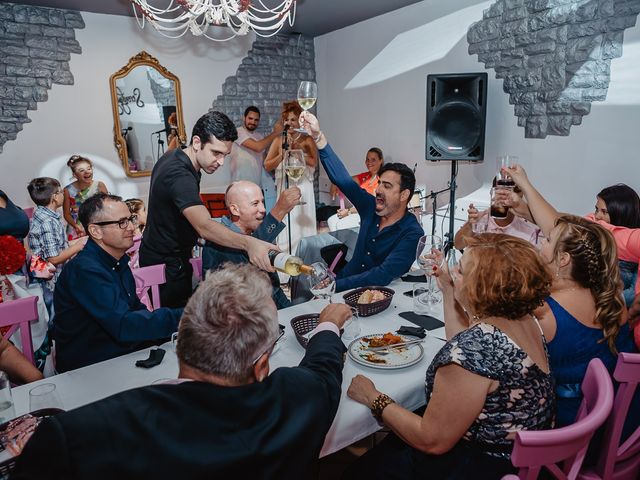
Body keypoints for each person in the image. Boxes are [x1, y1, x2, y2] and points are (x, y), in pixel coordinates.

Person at [14, 264, 351, 479]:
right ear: (262, 366)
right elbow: (323, 366)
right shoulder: (300, 396)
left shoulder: (75, 436)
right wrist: (328, 324)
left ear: (181, 343)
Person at [344, 234, 554, 479]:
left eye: (462, 270)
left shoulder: (471, 355)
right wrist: (448, 290)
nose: (453, 270)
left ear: (483, 289)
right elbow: (464, 342)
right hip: (518, 453)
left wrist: (373, 397)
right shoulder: (525, 320)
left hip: (480, 465)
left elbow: (432, 441)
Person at [506, 165, 638, 428]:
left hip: (573, 430)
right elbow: (566, 224)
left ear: (564, 259)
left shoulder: (546, 314)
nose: (540, 245)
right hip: (621, 420)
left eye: (545, 240)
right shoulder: (612, 300)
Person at [139, 110, 276, 309]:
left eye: (225, 155)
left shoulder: (177, 156)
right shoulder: (179, 175)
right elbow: (204, 225)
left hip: (166, 253)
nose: (221, 162)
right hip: (165, 262)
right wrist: (249, 244)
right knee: (174, 324)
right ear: (196, 142)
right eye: (216, 153)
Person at [53, 193, 182, 372]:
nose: (131, 227)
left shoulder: (117, 260)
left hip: (121, 355)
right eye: (122, 222)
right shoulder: (86, 270)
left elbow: (135, 309)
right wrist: (188, 317)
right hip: (90, 368)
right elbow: (123, 324)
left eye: (131, 219)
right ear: (96, 231)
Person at [299, 112, 423, 292]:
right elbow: (344, 181)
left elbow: (382, 274)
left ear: (404, 195)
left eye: (387, 186)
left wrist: (336, 286)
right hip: (343, 284)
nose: (379, 189)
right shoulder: (369, 207)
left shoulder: (412, 233)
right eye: (380, 183)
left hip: (377, 297)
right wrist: (319, 138)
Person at [202, 181, 301, 309]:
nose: (263, 209)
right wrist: (279, 211)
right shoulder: (218, 243)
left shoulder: (253, 234)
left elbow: (274, 290)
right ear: (235, 210)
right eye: (255, 204)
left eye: (262, 202)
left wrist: (293, 311)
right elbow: (248, 266)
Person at [27, 177, 87, 316]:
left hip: (51, 274)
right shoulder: (48, 222)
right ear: (54, 197)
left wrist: (77, 241)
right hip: (52, 279)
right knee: (57, 313)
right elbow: (53, 258)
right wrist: (79, 245)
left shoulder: (41, 213)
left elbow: (57, 245)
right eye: (60, 192)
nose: (62, 195)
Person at [265, 101, 318, 254]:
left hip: (304, 188)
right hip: (285, 189)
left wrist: (299, 152)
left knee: (304, 229)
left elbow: (314, 162)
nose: (289, 123)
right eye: (286, 120)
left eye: (292, 119)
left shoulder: (307, 140)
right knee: (287, 230)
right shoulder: (278, 141)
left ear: (299, 121)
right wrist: (283, 154)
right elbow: (267, 165)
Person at [454, 179, 540, 250]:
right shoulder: (481, 219)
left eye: (516, 191)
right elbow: (458, 245)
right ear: (493, 192)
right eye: (502, 190)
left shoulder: (528, 229)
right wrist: (470, 225)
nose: (508, 196)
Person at [593, 184, 640, 307]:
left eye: (604, 212)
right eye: (596, 209)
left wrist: (602, 302)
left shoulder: (634, 247)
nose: (597, 216)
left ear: (620, 214)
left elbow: (634, 294)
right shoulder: (597, 235)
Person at [230, 106, 284, 213]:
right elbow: (258, 147)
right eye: (250, 118)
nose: (253, 122)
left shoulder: (260, 137)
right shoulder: (238, 132)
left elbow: (265, 163)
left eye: (256, 120)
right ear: (244, 118)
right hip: (239, 187)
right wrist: (275, 133)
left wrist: (279, 174)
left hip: (257, 188)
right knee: (242, 219)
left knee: (258, 219)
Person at [62, 155, 108, 239]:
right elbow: (66, 214)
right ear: (75, 175)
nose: (87, 172)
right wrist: (76, 226)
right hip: (77, 228)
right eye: (81, 170)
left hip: (97, 224)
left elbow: (107, 207)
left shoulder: (99, 185)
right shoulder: (67, 190)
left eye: (89, 168)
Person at [331, 147, 385, 218]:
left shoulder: (382, 180)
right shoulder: (365, 176)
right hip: (357, 215)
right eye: (367, 159)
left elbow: (371, 205)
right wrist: (335, 184)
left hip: (369, 217)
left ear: (381, 161)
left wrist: (349, 211)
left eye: (373, 160)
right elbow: (344, 181)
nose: (369, 162)